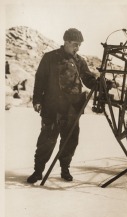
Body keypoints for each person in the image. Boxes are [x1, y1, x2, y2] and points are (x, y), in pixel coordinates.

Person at [27, 28, 97, 184]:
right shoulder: (50, 58)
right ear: (66, 42)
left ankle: (65, 169)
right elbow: (40, 80)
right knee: (47, 140)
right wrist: (37, 100)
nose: (77, 48)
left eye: (79, 45)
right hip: (52, 107)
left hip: (72, 109)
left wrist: (99, 83)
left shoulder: (80, 61)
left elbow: (88, 79)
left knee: (70, 141)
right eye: (75, 44)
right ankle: (38, 171)